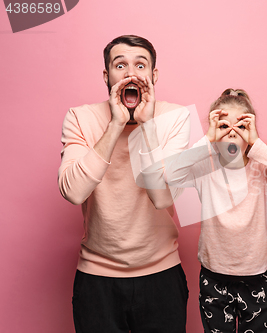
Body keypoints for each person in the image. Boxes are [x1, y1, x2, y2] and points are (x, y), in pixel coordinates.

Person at [58, 35, 190, 333]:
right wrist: (116, 124)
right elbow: (73, 192)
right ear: (107, 76)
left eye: (140, 65)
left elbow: (163, 198)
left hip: (162, 274)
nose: (131, 74)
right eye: (120, 65)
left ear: (153, 76)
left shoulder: (176, 117)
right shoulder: (80, 117)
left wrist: (147, 126)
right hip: (96, 278)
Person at [165, 89, 267, 333]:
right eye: (225, 125)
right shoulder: (206, 165)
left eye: (242, 125)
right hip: (214, 276)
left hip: (257, 276)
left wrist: (256, 143)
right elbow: (170, 174)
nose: (233, 131)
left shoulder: (261, 165)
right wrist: (207, 140)